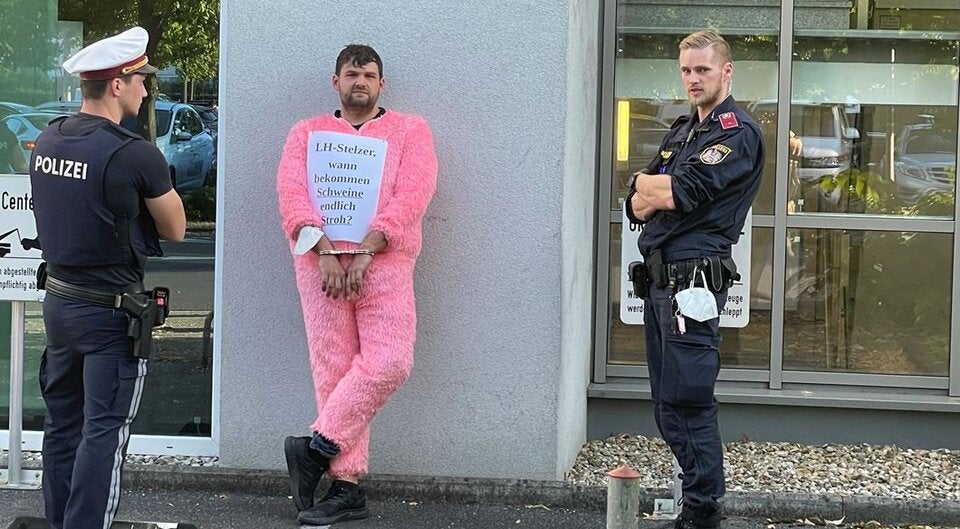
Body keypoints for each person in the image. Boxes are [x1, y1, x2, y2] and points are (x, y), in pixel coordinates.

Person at [29, 26, 186, 529]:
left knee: (63, 426)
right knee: (105, 432)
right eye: (142, 80)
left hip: (58, 305)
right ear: (118, 84)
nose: (146, 90)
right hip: (110, 313)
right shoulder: (135, 153)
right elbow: (177, 228)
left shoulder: (49, 138)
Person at [276, 44, 438, 526]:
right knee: (333, 370)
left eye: (369, 74)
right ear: (336, 81)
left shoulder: (410, 131)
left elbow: (414, 193)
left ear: (382, 83)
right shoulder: (307, 133)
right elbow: (291, 193)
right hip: (320, 264)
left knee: (390, 361)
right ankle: (347, 488)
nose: (360, 82)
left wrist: (368, 249)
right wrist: (324, 250)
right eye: (351, 74)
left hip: (383, 261)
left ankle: (317, 446)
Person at [625, 31, 764, 529]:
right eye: (686, 70)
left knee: (689, 400)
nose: (692, 79)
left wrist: (651, 188)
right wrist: (646, 188)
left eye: (702, 70)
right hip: (663, 281)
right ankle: (694, 505)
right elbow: (636, 202)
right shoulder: (684, 129)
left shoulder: (737, 132)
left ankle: (703, 514)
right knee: (666, 403)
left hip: (694, 283)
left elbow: (678, 191)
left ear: (726, 71)